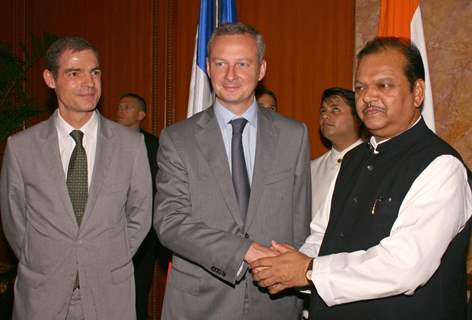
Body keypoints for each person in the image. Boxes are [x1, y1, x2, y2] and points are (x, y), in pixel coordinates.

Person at [251, 37, 472, 319]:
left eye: (384, 85)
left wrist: (308, 271)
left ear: (417, 93)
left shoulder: (442, 166)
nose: (368, 96)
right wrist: (287, 264)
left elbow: (405, 266)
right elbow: (322, 235)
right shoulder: (353, 159)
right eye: (360, 88)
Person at [154, 22, 311, 319]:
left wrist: (298, 280)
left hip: (275, 302)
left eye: (242, 64)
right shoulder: (177, 139)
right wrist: (243, 250)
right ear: (209, 68)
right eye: (220, 63)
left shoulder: (294, 135)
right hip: (200, 304)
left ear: (261, 69)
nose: (230, 75)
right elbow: (169, 222)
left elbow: (300, 220)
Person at [0, 37, 152, 320]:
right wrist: (47, 259)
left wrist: (107, 257)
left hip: (110, 294)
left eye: (94, 72)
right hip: (42, 294)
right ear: (50, 78)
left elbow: (140, 215)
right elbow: (15, 222)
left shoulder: (130, 145)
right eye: (74, 73)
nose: (89, 82)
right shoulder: (21, 147)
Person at [116, 93, 168, 320]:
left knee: (137, 294)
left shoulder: (155, 146)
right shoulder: (103, 142)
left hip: (145, 236)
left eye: (126, 107)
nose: (120, 110)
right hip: (109, 231)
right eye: (119, 106)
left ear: (140, 115)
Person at [309, 87, 363, 223]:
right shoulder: (312, 168)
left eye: (335, 109)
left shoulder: (373, 162)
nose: (325, 116)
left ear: (357, 117)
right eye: (323, 110)